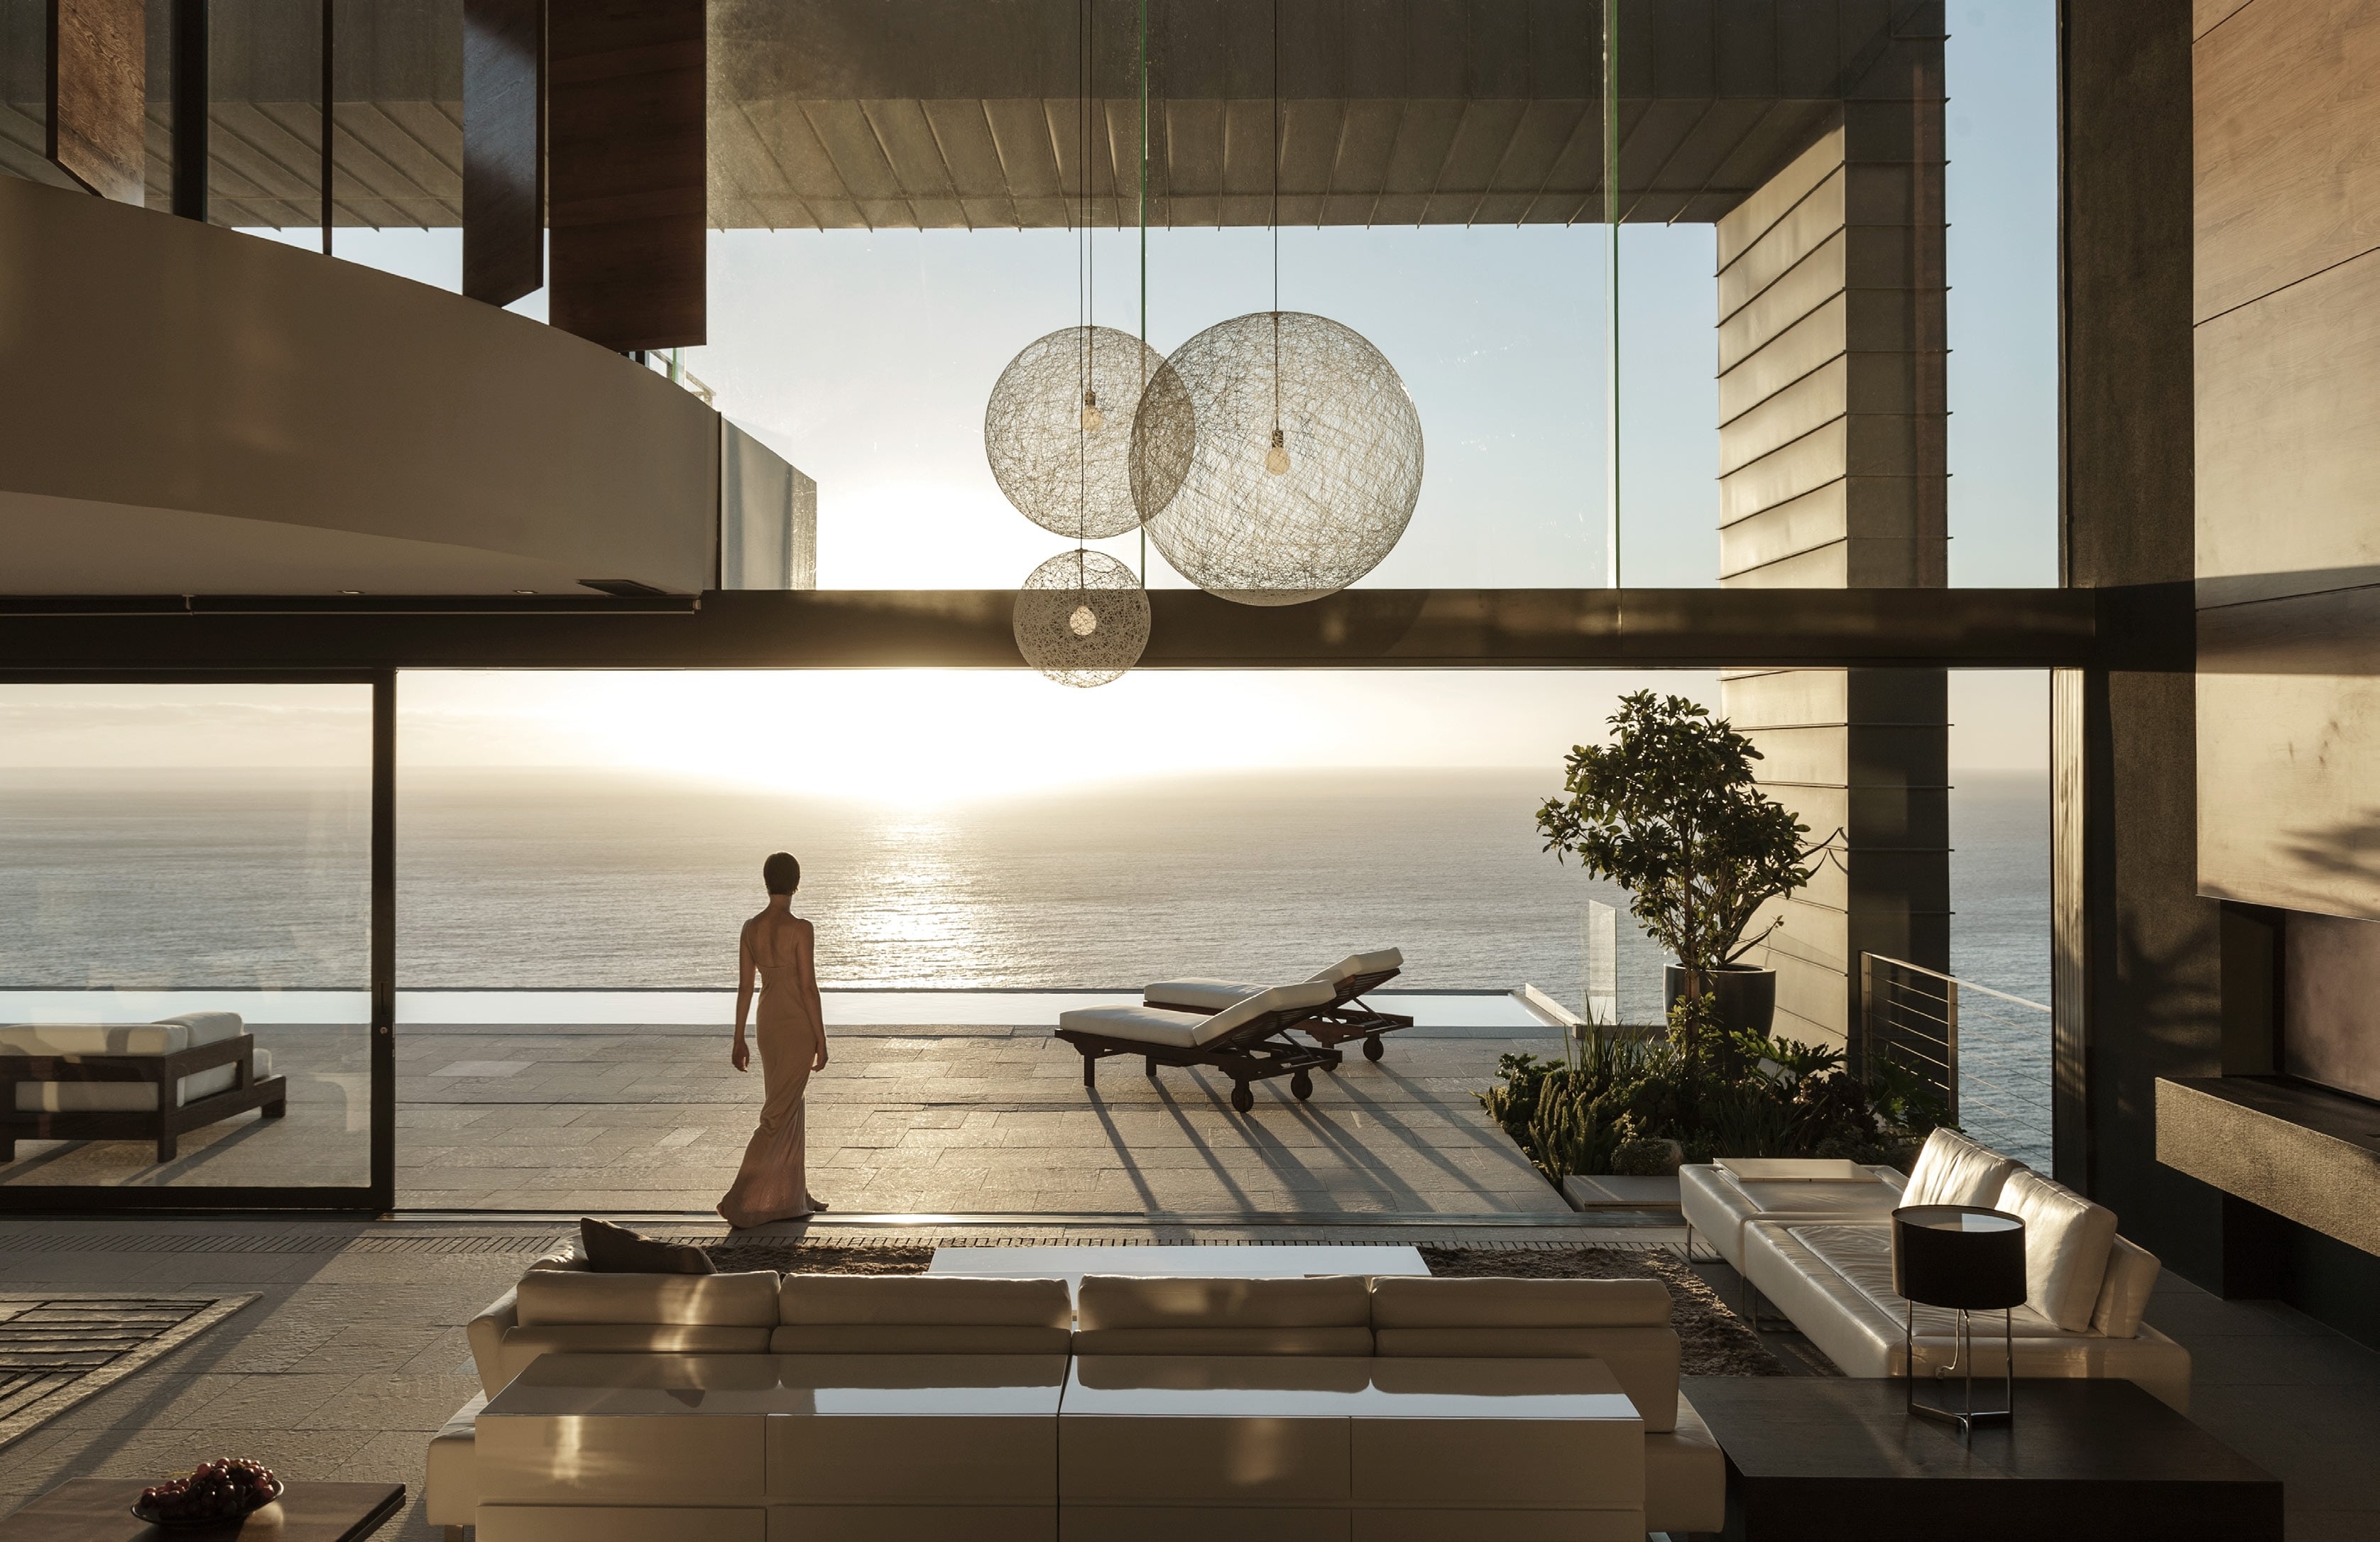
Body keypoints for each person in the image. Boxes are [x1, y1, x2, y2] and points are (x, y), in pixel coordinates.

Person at [716, 851, 829, 1227]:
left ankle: (796, 1194)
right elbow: (809, 988)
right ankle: (739, 1199)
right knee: (777, 1115)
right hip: (796, 1024)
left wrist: (739, 1038)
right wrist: (822, 1038)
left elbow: (746, 988)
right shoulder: (801, 928)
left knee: (790, 1107)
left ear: (767, 882)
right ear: (796, 882)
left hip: (767, 1024)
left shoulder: (751, 928)